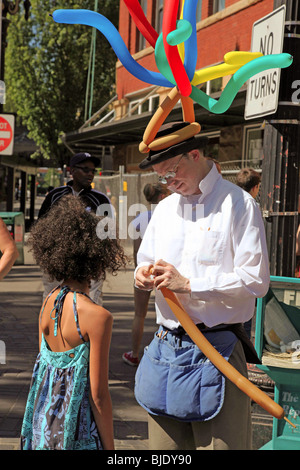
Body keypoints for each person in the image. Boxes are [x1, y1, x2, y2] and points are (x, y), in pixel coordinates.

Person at [134, 121, 270, 450]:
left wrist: (191, 284)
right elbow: (144, 260)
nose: (168, 182)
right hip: (167, 349)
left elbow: (256, 280)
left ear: (194, 155)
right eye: (162, 177)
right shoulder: (164, 210)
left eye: (172, 173)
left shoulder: (239, 205)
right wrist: (142, 274)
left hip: (218, 351)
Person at [20, 195, 127, 450]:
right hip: (76, 432)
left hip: (44, 428)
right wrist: (110, 448)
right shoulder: (98, 316)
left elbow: (44, 368)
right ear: (98, 257)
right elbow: (98, 394)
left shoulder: (48, 301)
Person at [38, 152, 113, 305]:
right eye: (85, 169)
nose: (90, 174)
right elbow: (40, 229)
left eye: (93, 171)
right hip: (56, 262)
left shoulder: (100, 200)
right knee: (52, 304)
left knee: (91, 305)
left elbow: (107, 233)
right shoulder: (55, 196)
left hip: (89, 264)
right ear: (72, 171)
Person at [122, 183, 170, 366]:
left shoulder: (140, 218)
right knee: (167, 316)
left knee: (139, 314)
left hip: (144, 271)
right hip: (164, 270)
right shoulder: (169, 216)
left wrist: (138, 269)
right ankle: (163, 354)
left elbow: (137, 249)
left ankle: (134, 353)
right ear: (162, 196)